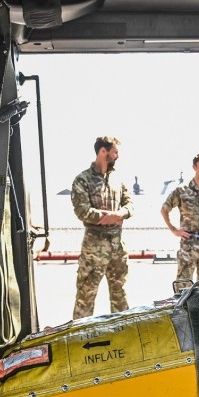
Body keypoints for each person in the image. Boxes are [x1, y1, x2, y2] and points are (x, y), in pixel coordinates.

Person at [70, 136, 133, 319]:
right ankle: (80, 337)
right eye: (115, 152)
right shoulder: (82, 180)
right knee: (85, 297)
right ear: (103, 151)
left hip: (117, 246)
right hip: (93, 248)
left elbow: (130, 205)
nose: (117, 156)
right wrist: (110, 217)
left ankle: (122, 334)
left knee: (120, 295)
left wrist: (122, 213)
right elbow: (82, 211)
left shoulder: (119, 180)